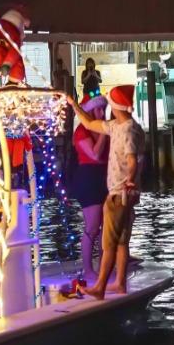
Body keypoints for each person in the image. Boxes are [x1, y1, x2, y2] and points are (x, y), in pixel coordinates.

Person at [67, 85, 145, 300]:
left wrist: (129, 179)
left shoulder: (127, 129)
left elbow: (131, 159)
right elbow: (89, 122)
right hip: (122, 192)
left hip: (119, 193)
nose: (106, 106)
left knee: (108, 242)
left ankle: (100, 286)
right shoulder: (118, 126)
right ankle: (119, 283)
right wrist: (74, 105)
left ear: (116, 106)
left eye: (109, 102)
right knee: (121, 241)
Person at [71, 95, 109, 281]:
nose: (102, 113)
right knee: (92, 226)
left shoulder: (104, 128)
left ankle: (104, 264)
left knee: (106, 227)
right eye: (99, 109)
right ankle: (87, 268)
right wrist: (103, 133)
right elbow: (94, 154)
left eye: (104, 109)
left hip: (104, 177)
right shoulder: (81, 132)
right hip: (88, 177)